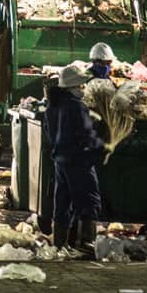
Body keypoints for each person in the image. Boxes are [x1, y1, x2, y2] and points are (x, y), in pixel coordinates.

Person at [46, 64, 106, 249]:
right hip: (79, 161)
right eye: (81, 86)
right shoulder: (77, 107)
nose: (84, 89)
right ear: (72, 87)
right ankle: (86, 245)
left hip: (60, 161)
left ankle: (59, 245)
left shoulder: (53, 105)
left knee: (62, 204)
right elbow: (86, 136)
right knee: (89, 202)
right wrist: (102, 148)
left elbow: (51, 132)